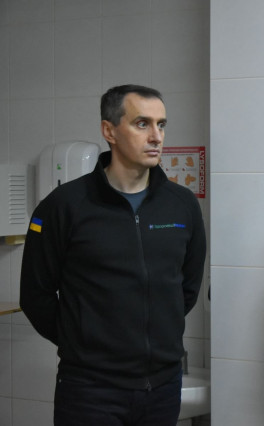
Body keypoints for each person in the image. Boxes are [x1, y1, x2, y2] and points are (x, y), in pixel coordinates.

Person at [20, 84, 207, 425]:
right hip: (90, 390)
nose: (156, 136)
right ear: (109, 131)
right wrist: (84, 341)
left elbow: (187, 288)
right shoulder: (64, 206)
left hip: (162, 388)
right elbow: (36, 295)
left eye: (161, 125)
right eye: (142, 124)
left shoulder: (182, 205)